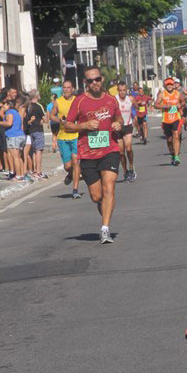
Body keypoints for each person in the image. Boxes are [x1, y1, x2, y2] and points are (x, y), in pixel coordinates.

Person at [66, 67, 123, 244]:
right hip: (88, 153)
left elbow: (119, 118)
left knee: (109, 187)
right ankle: (103, 205)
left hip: (110, 150)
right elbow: (67, 125)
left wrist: (118, 124)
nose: (94, 83)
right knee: (97, 196)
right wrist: (84, 126)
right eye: (90, 81)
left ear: (102, 79)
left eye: (97, 79)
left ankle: (105, 229)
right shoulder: (79, 101)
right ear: (85, 83)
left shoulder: (111, 100)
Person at [51, 79, 81, 198]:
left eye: (69, 87)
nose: (66, 90)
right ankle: (72, 174)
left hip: (76, 135)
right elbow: (51, 115)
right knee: (68, 166)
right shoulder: (58, 102)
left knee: (76, 162)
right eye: (64, 87)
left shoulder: (77, 101)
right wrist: (59, 120)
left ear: (72, 89)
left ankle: (75, 190)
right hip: (63, 137)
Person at [155, 76, 184, 165]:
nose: (169, 86)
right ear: (165, 85)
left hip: (176, 118)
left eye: (171, 84)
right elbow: (156, 105)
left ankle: (177, 157)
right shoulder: (162, 94)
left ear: (173, 84)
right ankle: (172, 153)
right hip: (166, 120)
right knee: (169, 139)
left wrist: (180, 105)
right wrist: (164, 106)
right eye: (168, 84)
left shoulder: (178, 94)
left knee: (176, 135)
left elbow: (183, 101)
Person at [2, 96, 27, 182]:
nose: (3, 106)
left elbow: (9, 123)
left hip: (14, 136)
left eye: (4, 104)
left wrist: (0, 123)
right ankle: (22, 174)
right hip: (20, 136)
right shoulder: (16, 112)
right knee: (19, 157)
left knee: (15, 157)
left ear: (8, 105)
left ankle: (19, 175)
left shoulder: (9, 112)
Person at [115, 81, 136, 181]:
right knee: (121, 152)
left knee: (128, 149)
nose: (122, 92)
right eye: (120, 90)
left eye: (124, 90)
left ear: (127, 90)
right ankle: (125, 171)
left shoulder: (130, 99)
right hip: (118, 128)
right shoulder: (114, 100)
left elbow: (136, 107)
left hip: (128, 126)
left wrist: (135, 117)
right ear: (117, 90)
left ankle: (131, 167)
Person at [24, 89, 46, 180]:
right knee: (39, 150)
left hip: (30, 130)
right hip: (38, 130)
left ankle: (34, 170)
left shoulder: (27, 107)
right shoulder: (38, 106)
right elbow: (45, 119)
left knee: (33, 151)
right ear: (37, 96)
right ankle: (38, 171)